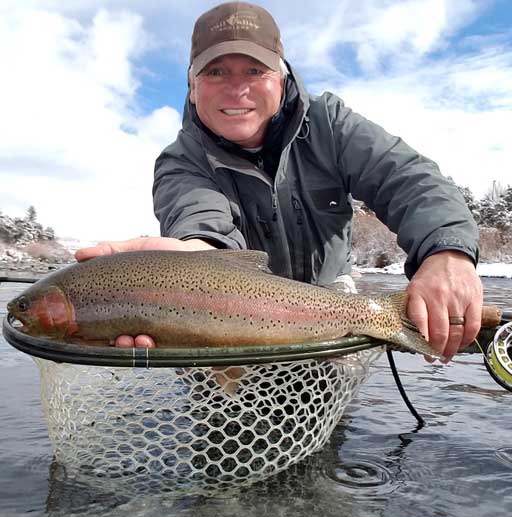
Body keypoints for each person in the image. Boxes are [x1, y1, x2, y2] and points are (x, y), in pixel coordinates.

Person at [76, 1, 482, 361]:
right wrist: (196, 260)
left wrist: (448, 253)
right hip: (221, 331)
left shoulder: (330, 125)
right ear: (192, 87)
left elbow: (409, 179)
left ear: (282, 78)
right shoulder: (181, 161)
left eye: (255, 70)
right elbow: (201, 226)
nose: (237, 89)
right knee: (223, 438)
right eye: (216, 72)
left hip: (330, 326)